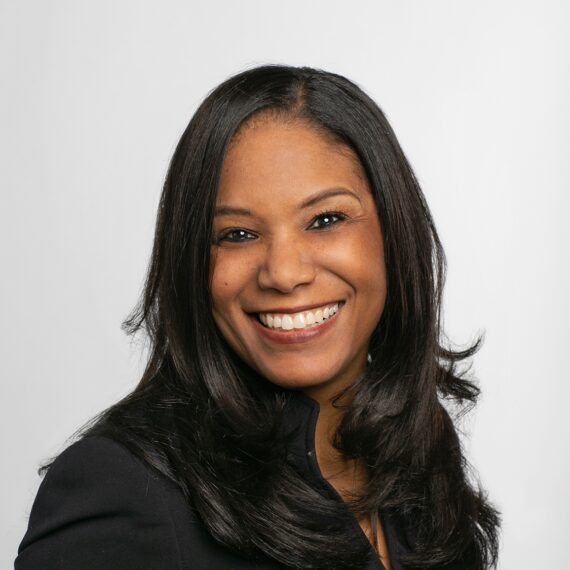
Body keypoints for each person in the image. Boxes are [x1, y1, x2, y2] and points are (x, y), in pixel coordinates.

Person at [15, 65, 500, 570]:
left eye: (326, 220)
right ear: (191, 265)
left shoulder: (419, 466)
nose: (284, 274)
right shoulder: (123, 489)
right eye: (237, 234)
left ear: (394, 235)